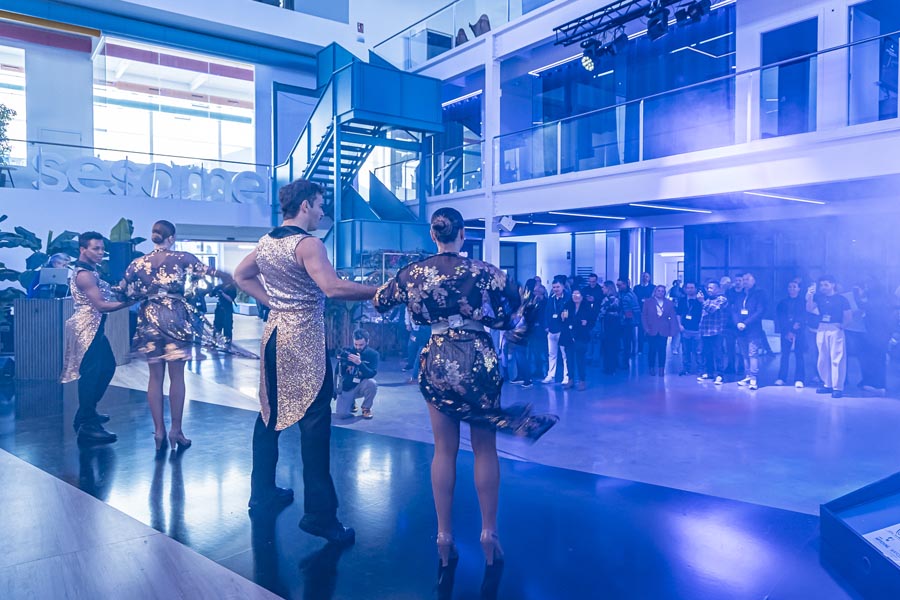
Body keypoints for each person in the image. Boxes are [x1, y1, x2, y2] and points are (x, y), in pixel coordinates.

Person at [372, 207, 557, 599]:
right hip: (479, 358)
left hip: (438, 357)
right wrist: (518, 331)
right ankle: (489, 534)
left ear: (433, 235)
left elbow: (380, 301)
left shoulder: (415, 272)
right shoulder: (483, 270)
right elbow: (530, 299)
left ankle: (444, 538)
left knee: (444, 449)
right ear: (463, 234)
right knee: (484, 448)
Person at [234, 179, 375, 543]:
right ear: (306, 205)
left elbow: (240, 275)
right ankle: (320, 516)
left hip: (274, 336)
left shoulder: (267, 242)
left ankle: (262, 492)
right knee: (314, 424)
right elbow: (333, 287)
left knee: (270, 413)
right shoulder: (309, 244)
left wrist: (273, 303)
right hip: (303, 340)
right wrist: (379, 291)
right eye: (320, 205)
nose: (322, 212)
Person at [123, 220, 249, 453]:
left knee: (154, 378)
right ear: (171, 238)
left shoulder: (138, 263)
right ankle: (176, 431)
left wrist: (146, 295)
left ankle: (158, 431)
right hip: (176, 317)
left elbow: (124, 290)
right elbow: (220, 275)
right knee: (177, 377)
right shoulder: (183, 258)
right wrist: (198, 290)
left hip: (149, 317)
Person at [61, 232, 133, 444]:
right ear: (83, 249)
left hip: (95, 328)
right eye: (96, 249)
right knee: (91, 375)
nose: (101, 253)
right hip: (87, 329)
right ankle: (87, 424)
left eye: (102, 249)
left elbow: (104, 293)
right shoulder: (85, 275)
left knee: (107, 367)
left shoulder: (92, 271)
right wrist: (131, 302)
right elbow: (101, 305)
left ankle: (86, 412)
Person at [807, 275, 851, 398]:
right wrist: (810, 295)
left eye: (826, 285)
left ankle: (838, 387)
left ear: (833, 285)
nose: (823, 287)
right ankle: (827, 384)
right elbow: (809, 308)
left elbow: (848, 315)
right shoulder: (820, 298)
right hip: (822, 327)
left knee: (837, 357)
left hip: (835, 327)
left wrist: (842, 326)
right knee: (823, 357)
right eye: (821, 285)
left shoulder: (842, 299)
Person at [732, 273, 767, 391]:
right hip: (740, 330)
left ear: (753, 281)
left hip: (753, 329)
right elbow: (734, 310)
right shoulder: (739, 295)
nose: (745, 281)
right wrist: (737, 323)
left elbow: (760, 311)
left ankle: (753, 378)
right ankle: (747, 376)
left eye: (747, 279)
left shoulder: (759, 294)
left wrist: (745, 323)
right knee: (744, 353)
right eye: (743, 280)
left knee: (753, 353)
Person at [335, 329, 379, 419]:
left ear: (367, 342)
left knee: (372, 383)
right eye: (356, 344)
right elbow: (338, 372)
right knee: (341, 415)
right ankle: (351, 402)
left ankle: (366, 408)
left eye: (361, 345)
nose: (358, 347)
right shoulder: (348, 351)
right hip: (348, 386)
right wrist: (343, 362)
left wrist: (360, 363)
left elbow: (371, 374)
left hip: (362, 385)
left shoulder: (373, 354)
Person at [560, 289, 594, 391]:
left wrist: (585, 323)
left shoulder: (587, 306)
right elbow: (565, 319)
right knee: (569, 359)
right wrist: (563, 318)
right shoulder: (568, 305)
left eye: (578, 294)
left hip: (581, 335)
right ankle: (570, 379)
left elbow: (591, 320)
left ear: (582, 296)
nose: (575, 296)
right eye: (574, 294)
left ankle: (582, 381)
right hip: (569, 335)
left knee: (580, 359)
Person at [775, 280, 806, 387]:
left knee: (799, 355)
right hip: (785, 331)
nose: (792, 289)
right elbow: (780, 318)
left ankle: (799, 379)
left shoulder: (803, 302)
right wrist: (787, 331)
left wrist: (793, 330)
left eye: (794, 287)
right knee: (784, 355)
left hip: (800, 331)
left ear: (799, 289)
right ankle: (781, 378)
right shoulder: (782, 302)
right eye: (790, 287)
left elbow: (802, 317)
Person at [642, 285, 678, 376]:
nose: (660, 292)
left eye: (662, 291)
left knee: (662, 350)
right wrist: (646, 328)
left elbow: (673, 317)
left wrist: (673, 330)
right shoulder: (648, 302)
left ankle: (661, 369)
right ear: (655, 291)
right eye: (659, 290)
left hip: (664, 329)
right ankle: (651, 367)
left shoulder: (669, 303)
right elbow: (644, 316)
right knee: (652, 350)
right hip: (651, 329)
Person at [697, 280, 728, 385]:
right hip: (705, 331)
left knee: (718, 353)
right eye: (708, 288)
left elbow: (712, 310)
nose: (709, 290)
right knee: (707, 353)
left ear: (718, 289)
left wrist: (702, 301)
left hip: (716, 331)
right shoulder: (708, 300)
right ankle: (709, 372)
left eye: (712, 288)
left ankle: (720, 375)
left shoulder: (722, 299)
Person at [542, 278, 570, 384]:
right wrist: (546, 326)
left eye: (558, 287)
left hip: (562, 330)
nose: (556, 289)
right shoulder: (551, 298)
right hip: (551, 330)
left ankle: (566, 376)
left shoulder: (568, 298)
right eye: (554, 287)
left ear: (563, 287)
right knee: (551, 354)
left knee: (564, 355)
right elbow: (546, 313)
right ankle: (551, 375)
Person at [677, 282, 703, 375]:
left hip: (698, 329)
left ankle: (700, 369)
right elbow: (678, 313)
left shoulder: (700, 300)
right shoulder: (682, 300)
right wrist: (679, 325)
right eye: (688, 288)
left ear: (696, 289)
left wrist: (702, 301)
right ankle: (686, 369)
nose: (690, 290)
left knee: (699, 351)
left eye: (692, 288)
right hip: (685, 329)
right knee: (685, 351)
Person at [598, 281, 621, 375]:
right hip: (616, 325)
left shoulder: (607, 300)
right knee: (613, 346)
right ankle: (613, 366)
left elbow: (602, 312)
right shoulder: (618, 298)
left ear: (608, 288)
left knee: (607, 346)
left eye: (603, 287)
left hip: (607, 324)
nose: (602, 289)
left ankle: (608, 367)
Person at [616, 278, 640, 368]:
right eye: (617, 285)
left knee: (627, 342)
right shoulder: (620, 294)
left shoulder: (631, 295)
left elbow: (636, 309)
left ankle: (625, 362)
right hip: (621, 322)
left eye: (619, 285)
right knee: (622, 342)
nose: (618, 287)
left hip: (628, 322)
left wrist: (632, 319)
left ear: (625, 284)